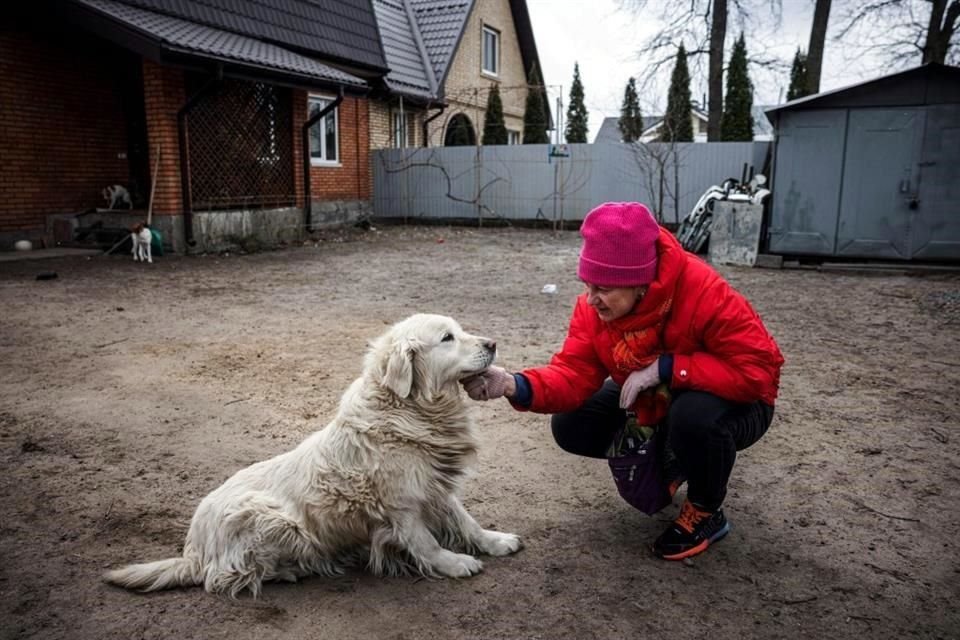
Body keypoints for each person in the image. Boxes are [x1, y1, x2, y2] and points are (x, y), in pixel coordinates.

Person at [462, 202, 784, 561]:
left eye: (602, 287)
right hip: (660, 396)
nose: (590, 299)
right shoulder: (595, 309)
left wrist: (667, 368)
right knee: (572, 423)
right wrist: (511, 383)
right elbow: (573, 373)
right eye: (587, 284)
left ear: (640, 283)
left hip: (740, 403)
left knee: (693, 419)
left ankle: (707, 510)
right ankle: (672, 454)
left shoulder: (702, 291)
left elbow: (757, 373)